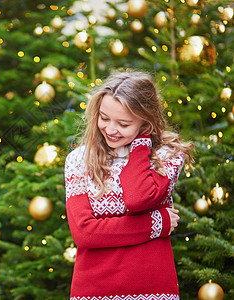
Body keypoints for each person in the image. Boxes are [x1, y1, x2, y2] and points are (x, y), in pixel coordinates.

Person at [64, 71, 193, 300]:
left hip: (152, 288)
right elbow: (85, 234)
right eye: (104, 118)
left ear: (146, 121)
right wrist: (156, 222)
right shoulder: (78, 160)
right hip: (94, 290)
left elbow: (138, 199)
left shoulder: (168, 156)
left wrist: (140, 145)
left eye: (123, 123)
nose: (111, 130)